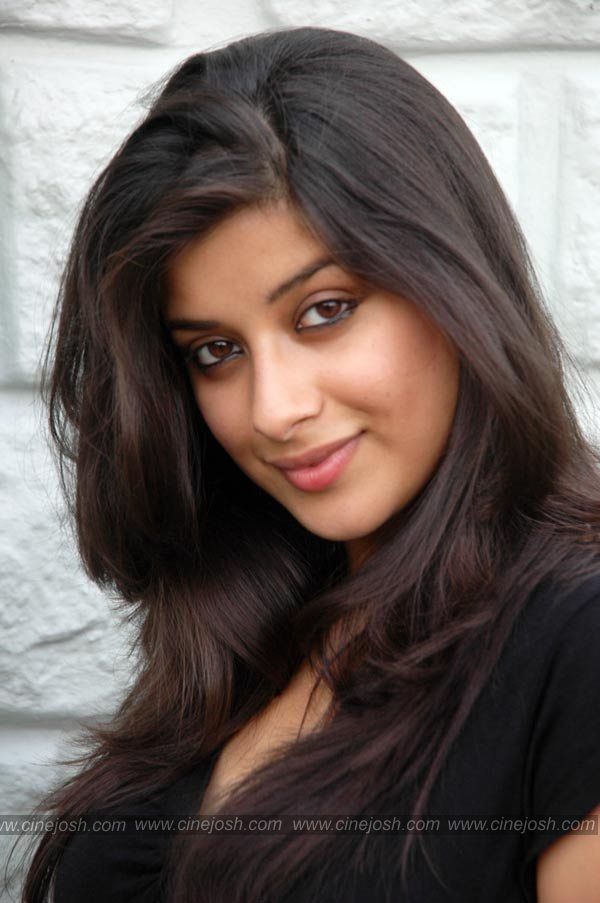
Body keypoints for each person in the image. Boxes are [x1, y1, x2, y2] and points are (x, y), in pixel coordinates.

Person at [19, 25, 600, 903]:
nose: (273, 409)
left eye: (324, 310)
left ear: (454, 286)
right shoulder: (246, 635)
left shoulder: (577, 638)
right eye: (215, 351)